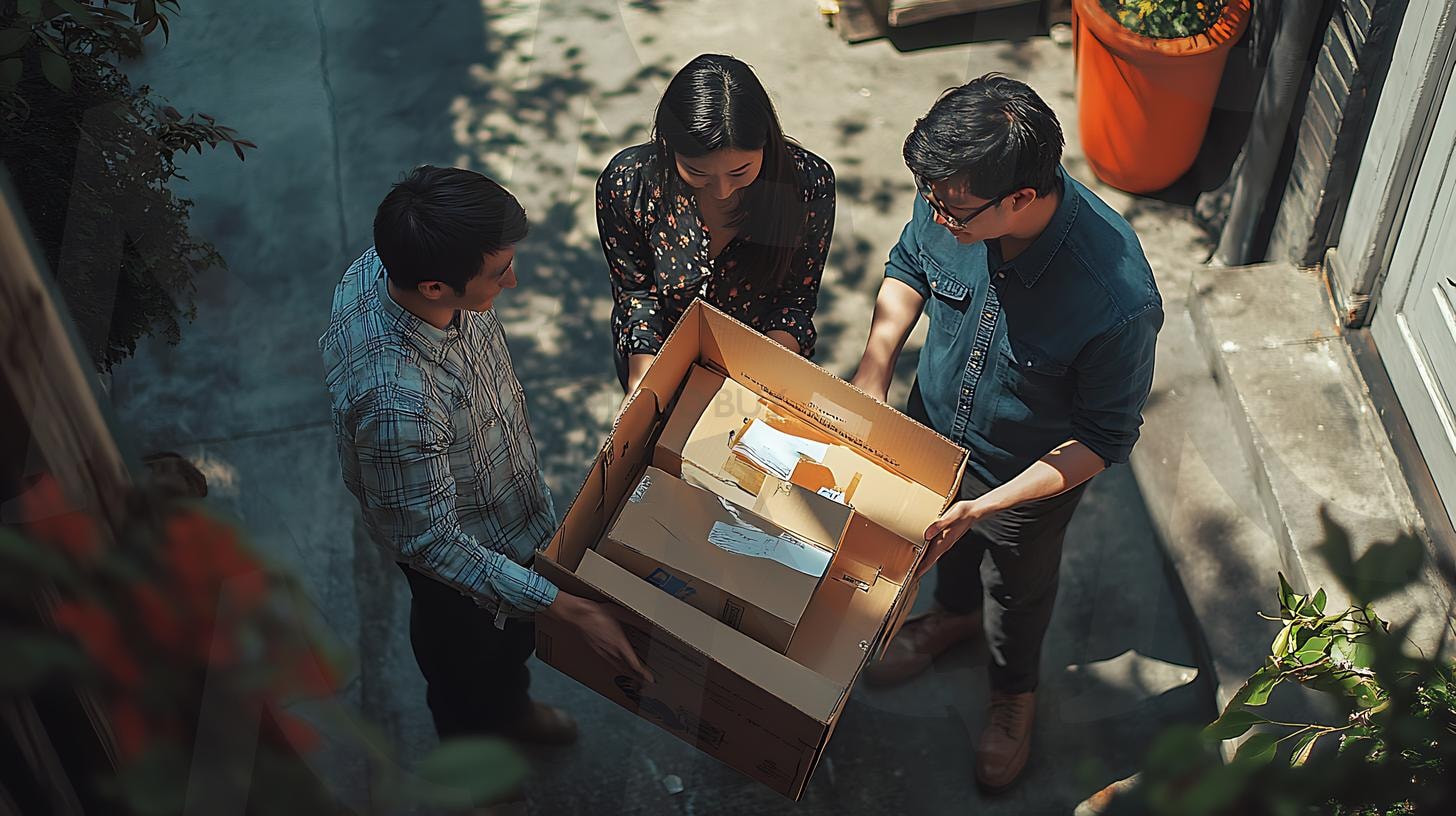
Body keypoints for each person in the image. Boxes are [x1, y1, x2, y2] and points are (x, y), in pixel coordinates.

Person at [850, 75, 1162, 792]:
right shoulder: (955, 192)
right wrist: (877, 367)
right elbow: (906, 267)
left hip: (1026, 476)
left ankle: (1013, 693)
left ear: (1021, 198)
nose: (936, 216)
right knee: (943, 551)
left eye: (952, 211)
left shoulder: (1116, 300)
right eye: (930, 199)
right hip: (932, 432)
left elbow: (1103, 437)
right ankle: (951, 618)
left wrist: (986, 508)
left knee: (1017, 588)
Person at [320, 166, 652, 747]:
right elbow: (429, 542)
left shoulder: (386, 265)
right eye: (499, 275)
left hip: (507, 510)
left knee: (507, 650)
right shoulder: (399, 403)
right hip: (462, 563)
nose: (515, 283)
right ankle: (479, 782)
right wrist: (564, 608)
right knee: (463, 671)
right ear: (433, 289)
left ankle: (511, 711)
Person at [596, 53, 836, 394]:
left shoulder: (808, 184)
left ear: (766, 143)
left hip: (760, 364)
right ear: (668, 146)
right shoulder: (628, 183)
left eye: (740, 172)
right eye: (698, 173)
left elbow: (795, 299)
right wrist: (645, 390)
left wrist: (756, 382)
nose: (722, 191)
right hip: (658, 358)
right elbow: (636, 294)